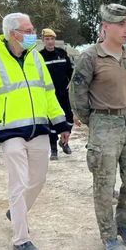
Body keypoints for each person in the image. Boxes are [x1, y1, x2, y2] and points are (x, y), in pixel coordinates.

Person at [0, 13, 70, 250]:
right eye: (28, 30)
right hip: (9, 132)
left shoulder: (35, 57)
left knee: (38, 179)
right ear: (13, 33)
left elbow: (48, 93)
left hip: (38, 129)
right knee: (18, 183)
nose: (32, 33)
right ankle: (21, 239)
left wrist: (62, 124)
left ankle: (15, 212)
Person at [70, 3, 126, 250]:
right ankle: (108, 236)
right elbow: (77, 93)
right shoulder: (90, 56)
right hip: (104, 124)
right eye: (121, 24)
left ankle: (124, 224)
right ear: (106, 26)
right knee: (104, 184)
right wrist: (93, 121)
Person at [39, 28, 74, 160]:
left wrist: (71, 82)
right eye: (47, 39)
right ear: (43, 41)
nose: (50, 42)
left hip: (64, 94)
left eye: (52, 39)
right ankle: (54, 150)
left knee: (69, 120)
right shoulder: (40, 56)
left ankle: (64, 142)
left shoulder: (62, 53)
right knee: (51, 123)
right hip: (49, 95)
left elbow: (70, 71)